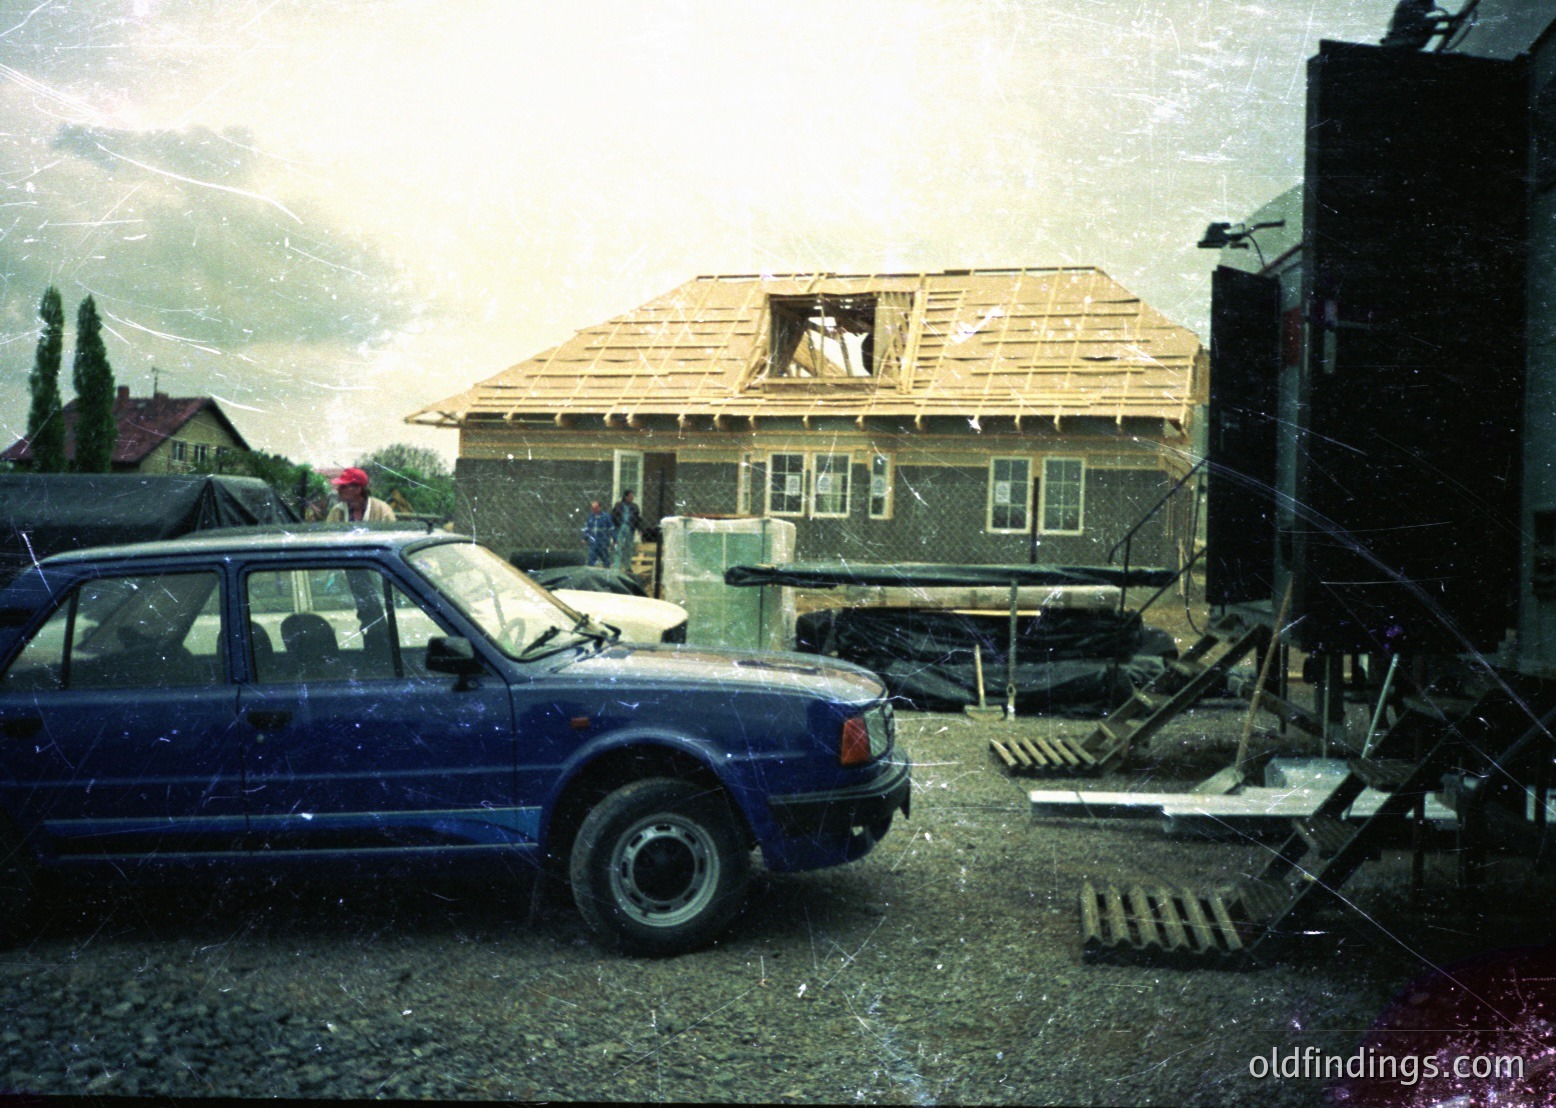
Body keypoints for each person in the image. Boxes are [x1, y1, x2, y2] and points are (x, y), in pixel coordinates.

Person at [326, 467, 397, 522]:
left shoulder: (382, 510)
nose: (338, 489)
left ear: (357, 489)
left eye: (343, 486)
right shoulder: (336, 511)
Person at [610, 489, 642, 574]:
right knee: (618, 547)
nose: (632, 497)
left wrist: (640, 529)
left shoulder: (635, 506)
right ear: (626, 497)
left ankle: (628, 567)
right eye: (630, 495)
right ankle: (616, 567)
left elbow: (638, 519)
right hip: (620, 527)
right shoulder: (618, 505)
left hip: (630, 527)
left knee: (629, 548)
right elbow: (612, 517)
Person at [582, 499, 614, 567]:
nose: (594, 510)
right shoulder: (590, 517)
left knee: (605, 559)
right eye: (593, 508)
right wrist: (585, 538)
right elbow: (587, 528)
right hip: (593, 542)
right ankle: (590, 573)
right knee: (591, 558)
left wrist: (615, 538)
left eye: (596, 508)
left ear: (599, 507)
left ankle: (607, 573)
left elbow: (611, 528)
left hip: (603, 542)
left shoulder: (606, 516)